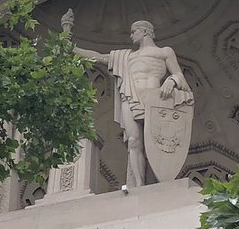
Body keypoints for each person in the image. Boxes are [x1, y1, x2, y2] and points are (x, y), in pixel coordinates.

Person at [61, 10, 194, 187]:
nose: (131, 36)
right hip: (130, 98)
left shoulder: (164, 52)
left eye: (134, 32)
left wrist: (171, 80)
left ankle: (158, 183)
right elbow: (100, 58)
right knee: (133, 141)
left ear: (145, 31)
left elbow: (180, 76)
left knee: (154, 143)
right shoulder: (126, 56)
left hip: (155, 99)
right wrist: (72, 48)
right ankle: (138, 186)